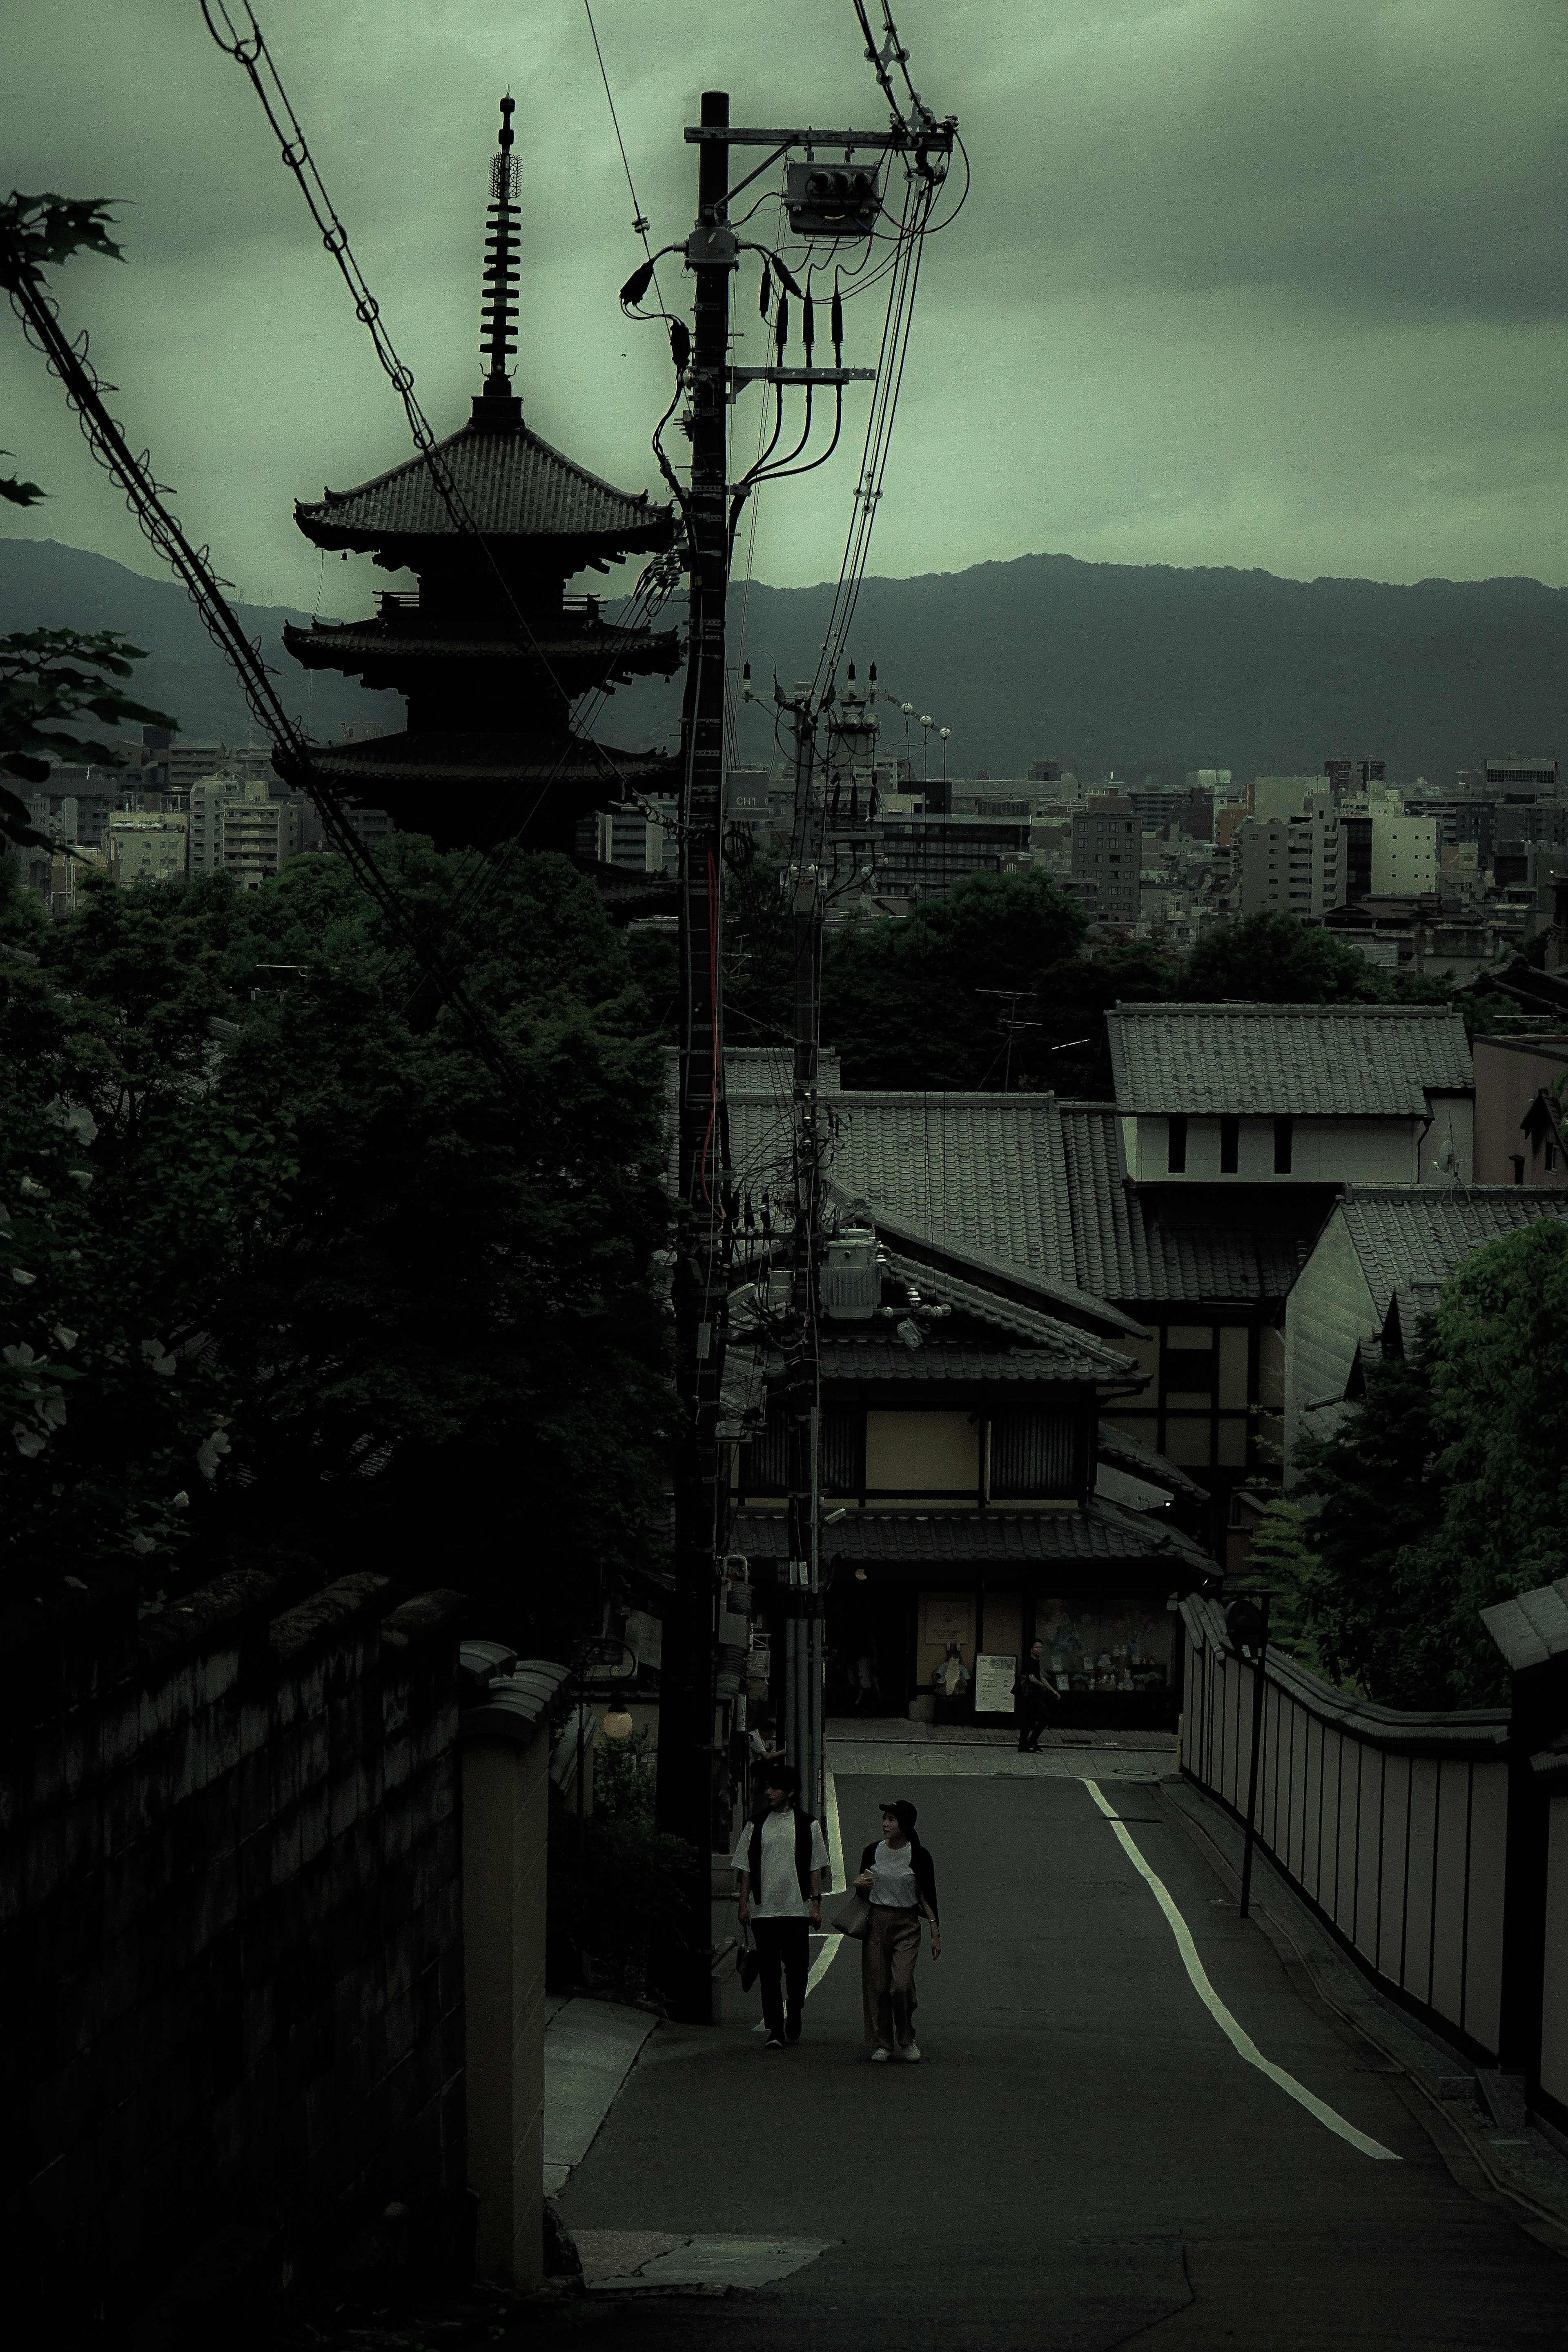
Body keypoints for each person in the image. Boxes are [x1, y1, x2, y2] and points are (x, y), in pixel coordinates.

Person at [733, 1763, 829, 2049]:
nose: (768, 1792)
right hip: (764, 1910)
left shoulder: (808, 1825)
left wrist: (816, 1905)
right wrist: (743, 1903)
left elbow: (815, 1869)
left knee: (798, 1970)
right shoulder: (755, 1824)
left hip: (797, 1909)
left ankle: (796, 2010)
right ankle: (775, 2029)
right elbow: (746, 1869)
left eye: (774, 1788)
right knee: (770, 1973)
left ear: (790, 1791)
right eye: (767, 1787)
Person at [853, 1798, 940, 2063]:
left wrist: (935, 1933)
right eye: (885, 1819)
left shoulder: (919, 1855)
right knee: (878, 1986)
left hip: (907, 1926)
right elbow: (862, 1888)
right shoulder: (872, 1851)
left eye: (892, 1820)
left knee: (901, 1985)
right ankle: (883, 2042)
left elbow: (927, 1896)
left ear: (905, 1825)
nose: (885, 1824)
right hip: (876, 1924)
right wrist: (857, 1883)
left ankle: (907, 2037)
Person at [1015, 1639, 1060, 1753]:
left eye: (1041, 1647)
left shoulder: (1036, 1662)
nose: (1039, 1650)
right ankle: (1030, 1741)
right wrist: (1042, 1686)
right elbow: (1032, 1678)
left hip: (1033, 1696)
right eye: (1037, 1647)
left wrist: (1052, 1690)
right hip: (1030, 1696)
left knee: (1030, 1720)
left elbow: (1041, 1677)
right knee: (1043, 1718)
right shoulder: (1030, 1661)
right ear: (1031, 1649)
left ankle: (1025, 1744)